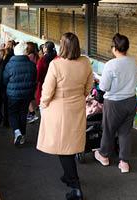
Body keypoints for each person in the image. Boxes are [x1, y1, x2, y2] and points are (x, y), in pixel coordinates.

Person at [37, 32, 93, 200]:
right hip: (77, 107)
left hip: (59, 110)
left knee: (64, 149)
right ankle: (68, 176)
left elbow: (48, 90)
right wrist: (80, 95)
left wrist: (43, 104)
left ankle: (76, 187)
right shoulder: (85, 62)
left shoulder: (56, 65)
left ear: (63, 46)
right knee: (70, 145)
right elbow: (89, 86)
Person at [94, 33, 137, 173]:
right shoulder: (133, 62)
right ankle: (124, 163)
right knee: (125, 132)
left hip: (114, 103)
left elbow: (104, 87)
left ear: (114, 48)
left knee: (108, 129)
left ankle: (104, 156)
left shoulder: (111, 64)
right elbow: (135, 80)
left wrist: (99, 80)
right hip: (131, 101)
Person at [3, 42, 37, 146]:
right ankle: (23, 135)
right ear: (25, 52)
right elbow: (34, 79)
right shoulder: (31, 65)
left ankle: (17, 132)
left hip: (13, 94)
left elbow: (5, 79)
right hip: (27, 94)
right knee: (23, 113)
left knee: (13, 113)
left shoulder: (9, 65)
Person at [35, 41, 57, 106]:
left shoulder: (42, 60)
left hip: (43, 84)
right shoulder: (56, 58)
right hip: (55, 84)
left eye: (44, 47)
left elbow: (38, 75)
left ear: (46, 49)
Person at [26, 41, 40, 123]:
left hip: (30, 78)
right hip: (34, 78)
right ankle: (32, 113)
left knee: (29, 98)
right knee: (31, 97)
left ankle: (32, 114)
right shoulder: (36, 55)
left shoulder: (30, 57)